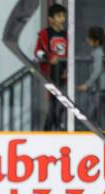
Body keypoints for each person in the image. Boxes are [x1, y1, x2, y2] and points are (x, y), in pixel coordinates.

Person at [35, 3, 68, 131]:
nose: (62, 19)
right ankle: (51, 129)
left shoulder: (66, 35)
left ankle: (52, 128)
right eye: (59, 16)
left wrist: (68, 70)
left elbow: (69, 54)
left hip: (64, 75)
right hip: (50, 74)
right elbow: (37, 52)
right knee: (54, 103)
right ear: (51, 19)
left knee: (63, 103)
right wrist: (48, 58)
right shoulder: (45, 34)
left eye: (63, 16)